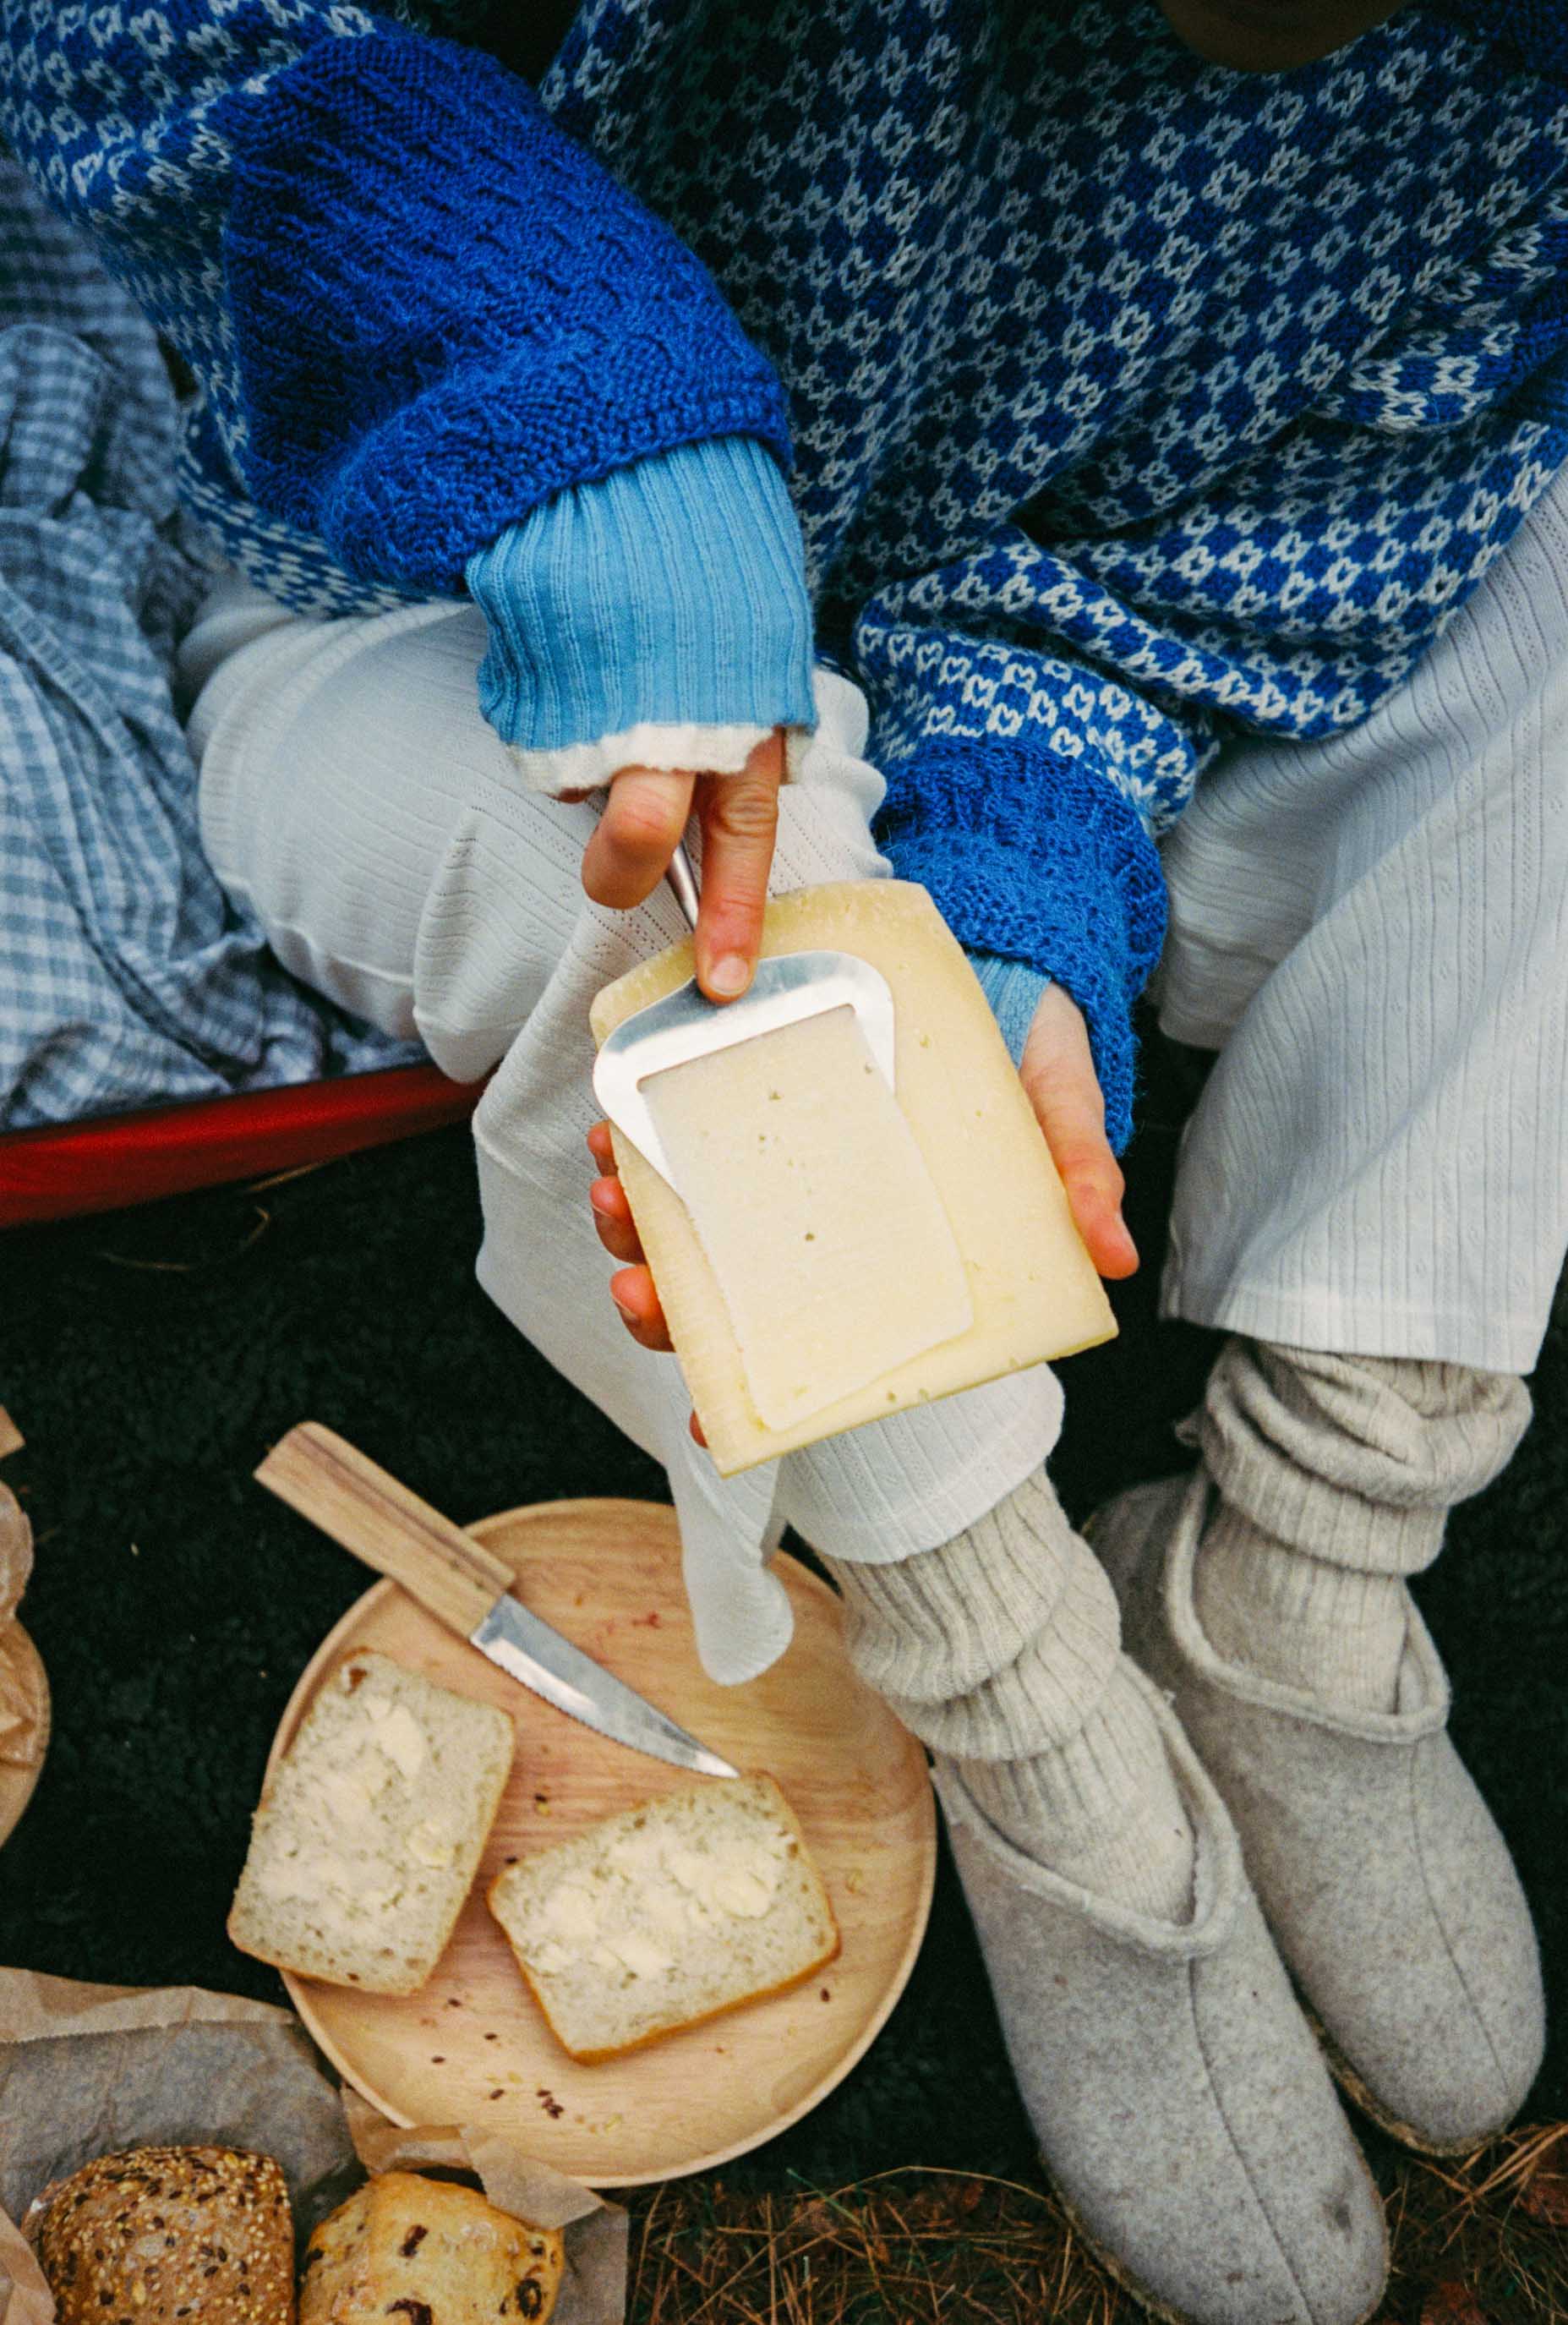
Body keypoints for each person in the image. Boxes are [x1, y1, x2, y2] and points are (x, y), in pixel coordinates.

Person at [4, 1, 1565, 2317]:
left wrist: (1025, 888)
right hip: (416, 576)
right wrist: (563, 387)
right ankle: (1032, 1715)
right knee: (657, 927)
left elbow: (1195, 585)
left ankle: (1303, 1565)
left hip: (1032, 645)